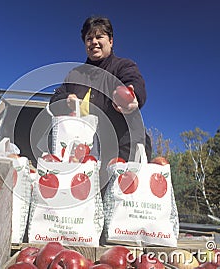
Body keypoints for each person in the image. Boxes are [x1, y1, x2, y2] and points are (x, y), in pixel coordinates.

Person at [49, 16, 151, 172]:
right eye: (89, 38)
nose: (94, 42)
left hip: (124, 146)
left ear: (110, 41)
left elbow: (133, 83)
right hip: (86, 153)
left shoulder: (123, 66)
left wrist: (132, 96)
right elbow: (55, 100)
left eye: (99, 37)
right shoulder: (75, 74)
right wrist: (65, 99)